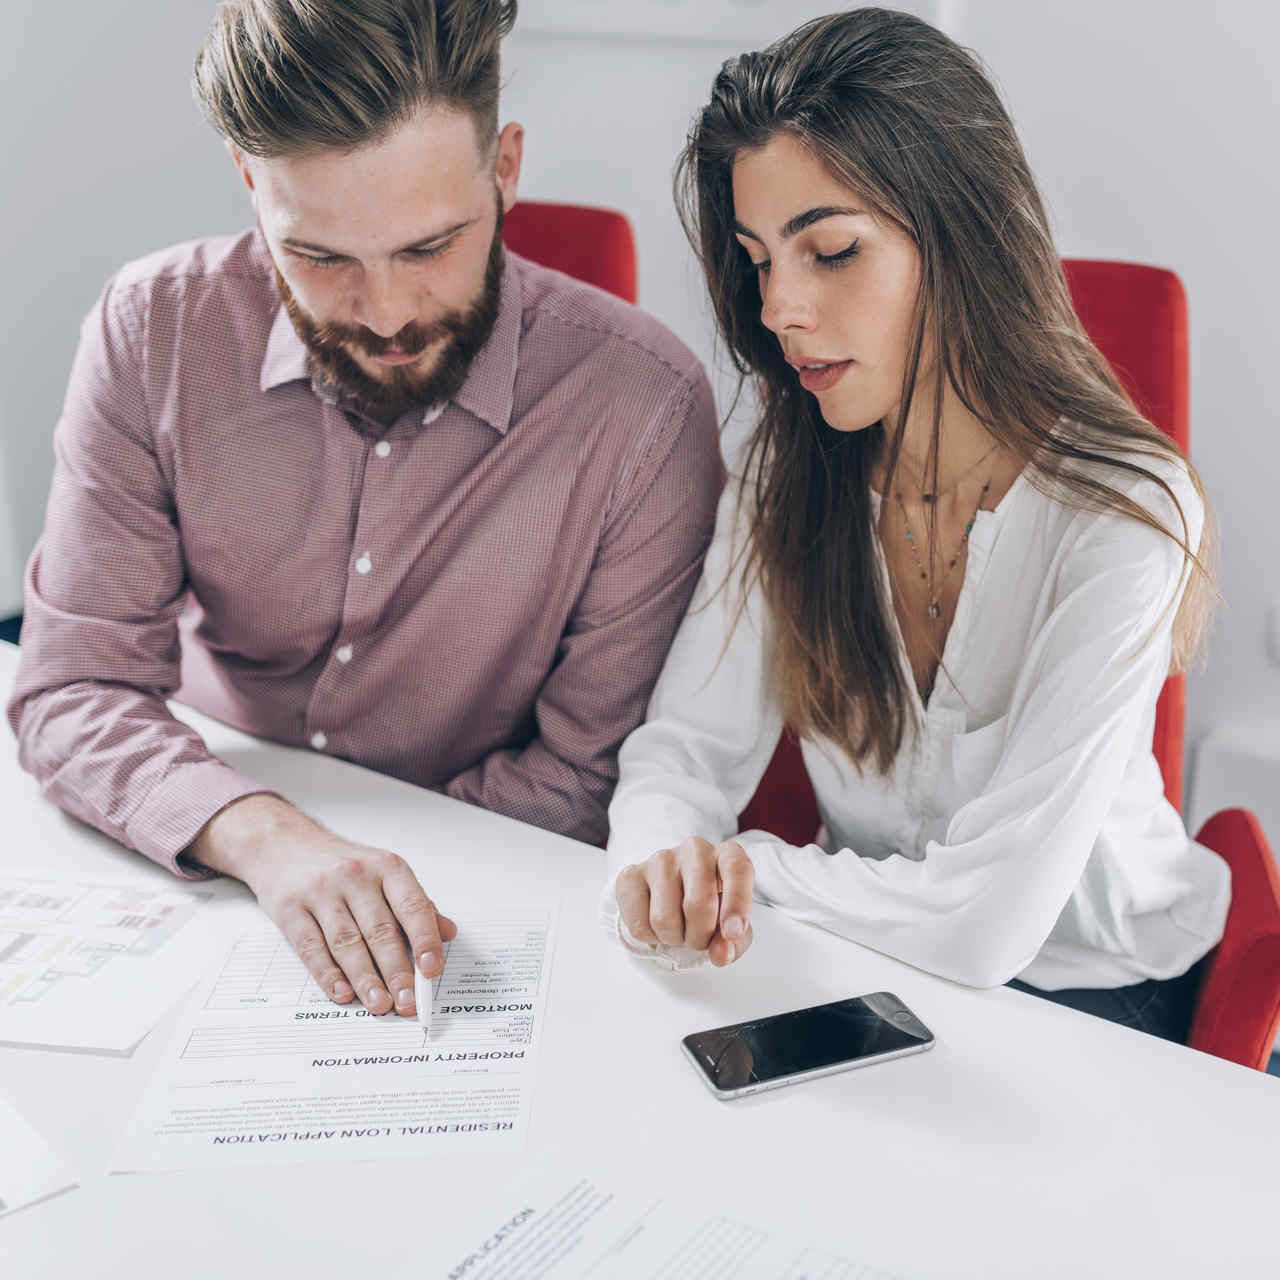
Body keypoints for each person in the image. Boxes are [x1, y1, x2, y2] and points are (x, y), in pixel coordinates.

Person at [8, 0, 722, 1021]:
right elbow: (73, 682)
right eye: (323, 258)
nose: (386, 315)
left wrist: (371, 884)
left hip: (470, 909)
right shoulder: (153, 328)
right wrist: (268, 838)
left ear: (505, 170)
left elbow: (579, 777)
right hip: (201, 861)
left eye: (430, 247)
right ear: (251, 184)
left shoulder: (643, 409)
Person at [602, 7, 1229, 1043]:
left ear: (960, 235)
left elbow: (988, 927)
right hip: (882, 971)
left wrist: (747, 870)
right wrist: (656, 869)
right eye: (759, 259)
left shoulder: (1127, 513)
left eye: (830, 251)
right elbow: (680, 755)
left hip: (1107, 999)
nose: (777, 309)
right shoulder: (783, 467)